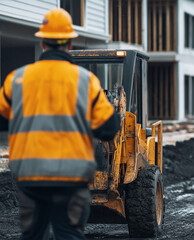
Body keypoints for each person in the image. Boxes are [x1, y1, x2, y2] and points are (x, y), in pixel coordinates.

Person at [0, 8, 120, 240]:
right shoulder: (86, 81)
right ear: (70, 45)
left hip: (30, 175)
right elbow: (109, 128)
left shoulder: (17, 79)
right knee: (68, 233)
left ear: (43, 43)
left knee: (34, 234)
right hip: (71, 178)